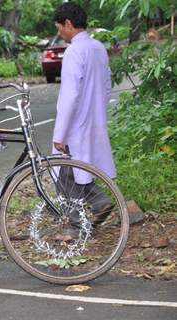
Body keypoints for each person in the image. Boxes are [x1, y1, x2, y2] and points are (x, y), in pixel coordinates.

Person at [52, 2, 116, 234]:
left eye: (59, 27)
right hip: (94, 118)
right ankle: (98, 204)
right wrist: (97, 109)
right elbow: (107, 86)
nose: (59, 33)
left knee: (64, 174)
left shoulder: (74, 51)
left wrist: (60, 134)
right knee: (76, 171)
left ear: (68, 24)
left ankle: (76, 228)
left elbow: (70, 95)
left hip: (75, 124)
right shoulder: (98, 48)